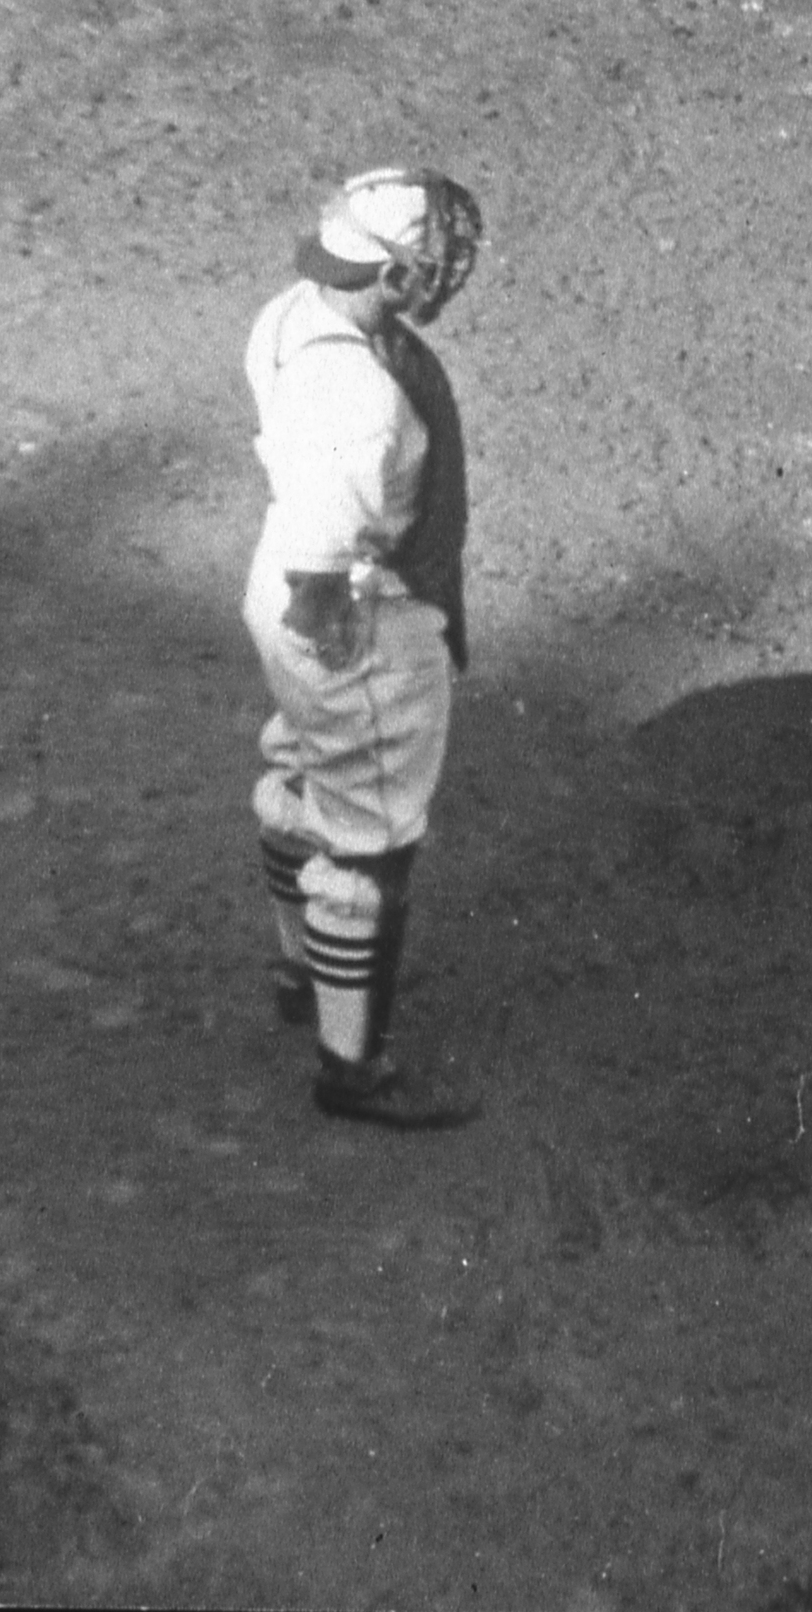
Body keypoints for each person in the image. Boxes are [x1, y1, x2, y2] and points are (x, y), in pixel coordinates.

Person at [243, 167, 486, 1130]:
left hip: (293, 581)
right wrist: (351, 652)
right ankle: (353, 1069)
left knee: (306, 772)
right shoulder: (358, 399)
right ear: (391, 273)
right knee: (373, 837)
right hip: (345, 603)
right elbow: (322, 549)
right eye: (427, 263)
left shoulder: (295, 311)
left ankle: (302, 969)